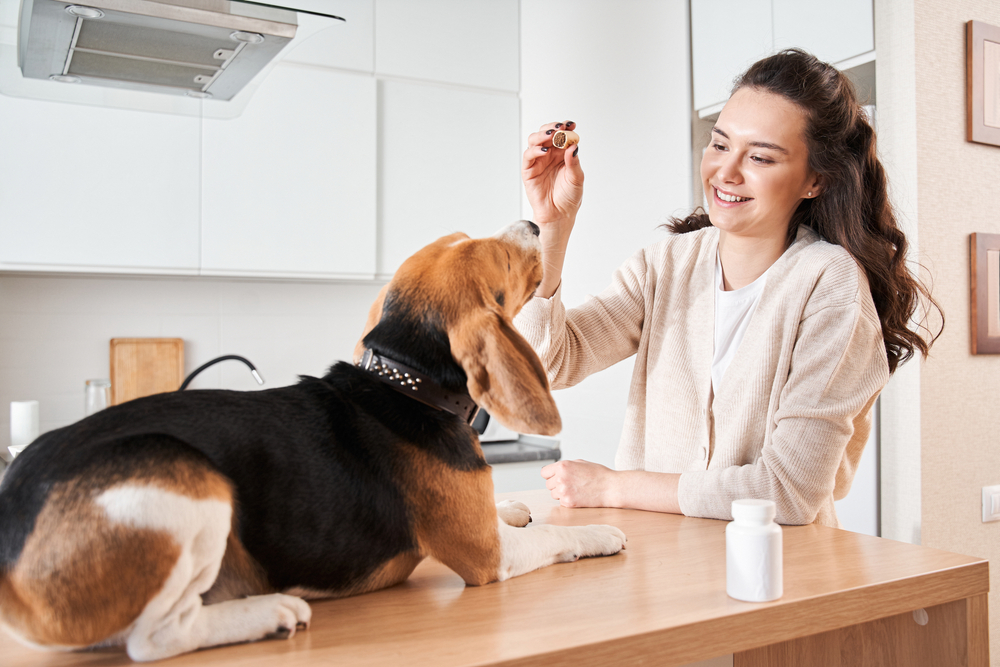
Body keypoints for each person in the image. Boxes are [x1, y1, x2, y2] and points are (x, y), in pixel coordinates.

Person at [515, 49, 941, 527]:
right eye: (719, 145)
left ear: (815, 180)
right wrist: (552, 229)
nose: (726, 172)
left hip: (780, 575)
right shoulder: (667, 265)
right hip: (665, 571)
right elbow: (545, 365)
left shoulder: (829, 284)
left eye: (759, 156)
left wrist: (614, 486)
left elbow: (786, 493)